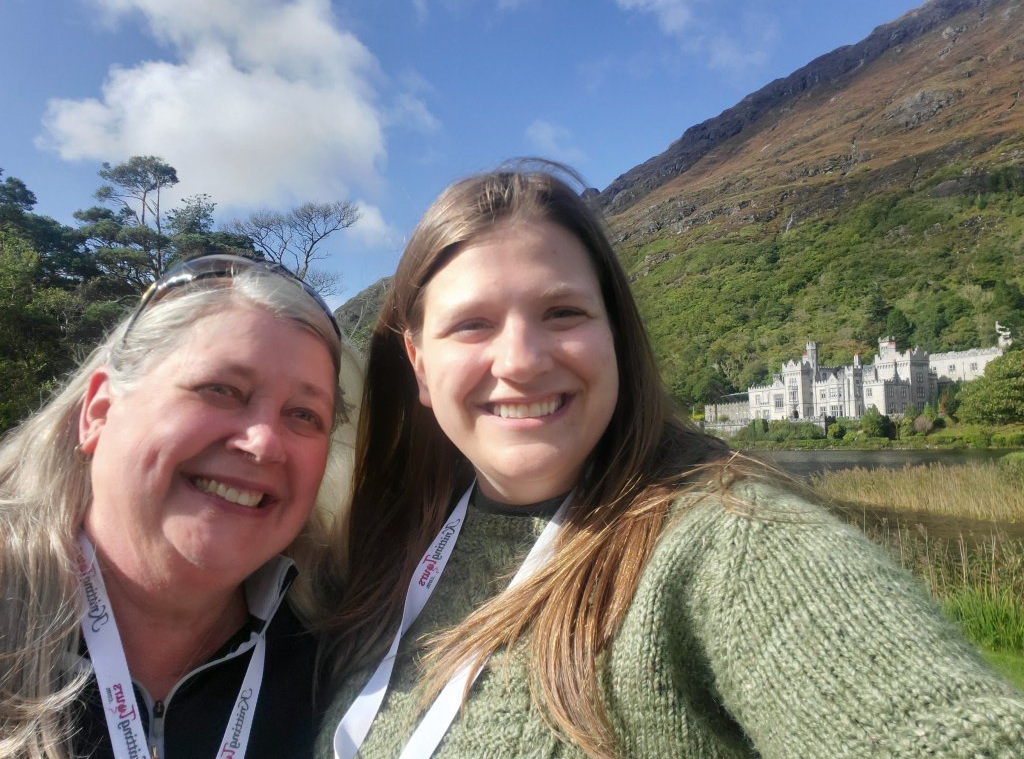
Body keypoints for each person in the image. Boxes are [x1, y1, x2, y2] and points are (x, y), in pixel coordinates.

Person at [314, 159, 1024, 758]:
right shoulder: (387, 539)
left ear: (615, 337)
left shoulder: (732, 542)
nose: (521, 361)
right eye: (472, 324)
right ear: (418, 366)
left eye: (563, 313)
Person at [0, 253, 362, 759]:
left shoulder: (346, 670)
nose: (263, 443)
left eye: (304, 414)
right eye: (220, 389)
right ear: (99, 412)